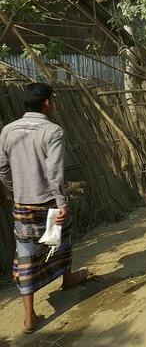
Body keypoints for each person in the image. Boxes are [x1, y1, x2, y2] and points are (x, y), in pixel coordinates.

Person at [0, 83, 90, 335]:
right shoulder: (52, 131)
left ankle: (29, 318)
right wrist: (61, 203)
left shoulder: (8, 130)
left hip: (22, 205)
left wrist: (15, 190)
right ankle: (67, 278)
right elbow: (54, 173)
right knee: (60, 240)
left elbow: (2, 169)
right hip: (48, 203)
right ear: (48, 103)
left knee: (26, 253)